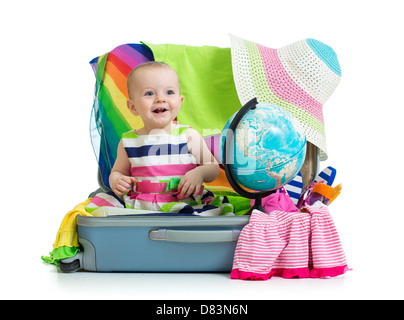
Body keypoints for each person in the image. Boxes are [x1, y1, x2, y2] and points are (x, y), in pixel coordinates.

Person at [86, 61, 230, 214]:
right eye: (149, 93)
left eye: (169, 92)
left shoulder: (188, 136)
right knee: (99, 212)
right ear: (133, 107)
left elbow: (212, 168)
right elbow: (118, 171)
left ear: (180, 102)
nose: (160, 99)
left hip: (184, 201)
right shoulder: (128, 142)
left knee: (210, 215)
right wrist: (116, 180)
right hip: (141, 205)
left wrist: (198, 173)